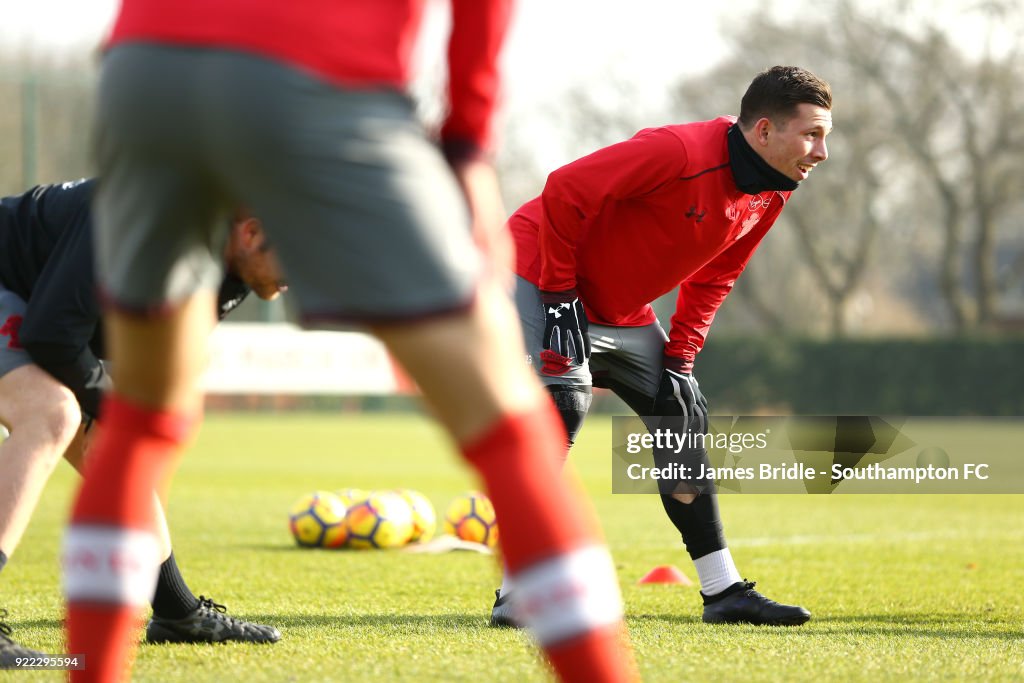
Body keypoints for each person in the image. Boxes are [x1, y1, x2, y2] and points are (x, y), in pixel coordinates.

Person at [63, 2, 636, 682]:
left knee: (137, 422)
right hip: (320, 64)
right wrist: (469, 144)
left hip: (148, 69)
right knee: (511, 429)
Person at [490, 66, 832, 628]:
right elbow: (563, 189)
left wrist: (681, 354)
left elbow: (718, 274)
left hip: (622, 311)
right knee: (561, 407)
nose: (821, 151)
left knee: (681, 415)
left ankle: (723, 593)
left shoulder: (773, 187)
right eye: (812, 134)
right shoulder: (678, 151)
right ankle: (515, 596)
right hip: (536, 275)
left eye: (824, 136)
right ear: (765, 130)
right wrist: (556, 295)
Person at [0, 178, 286, 668]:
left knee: (109, 443)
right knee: (53, 412)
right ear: (253, 234)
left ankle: (177, 613)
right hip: (18, 291)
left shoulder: (228, 268)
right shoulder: (143, 219)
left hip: (33, 300)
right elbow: (52, 332)